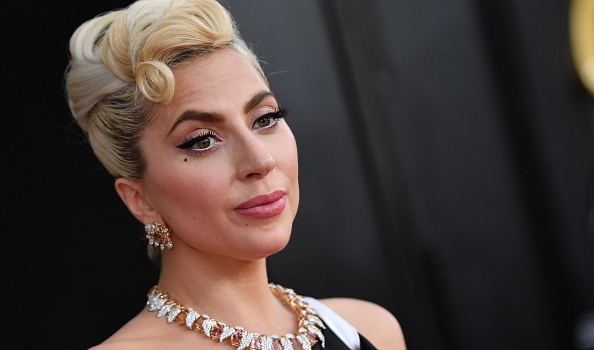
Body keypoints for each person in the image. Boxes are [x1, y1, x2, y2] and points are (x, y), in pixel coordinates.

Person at [64, 0, 406, 349]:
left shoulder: (369, 330)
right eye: (202, 141)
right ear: (141, 200)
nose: (260, 160)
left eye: (265, 119)